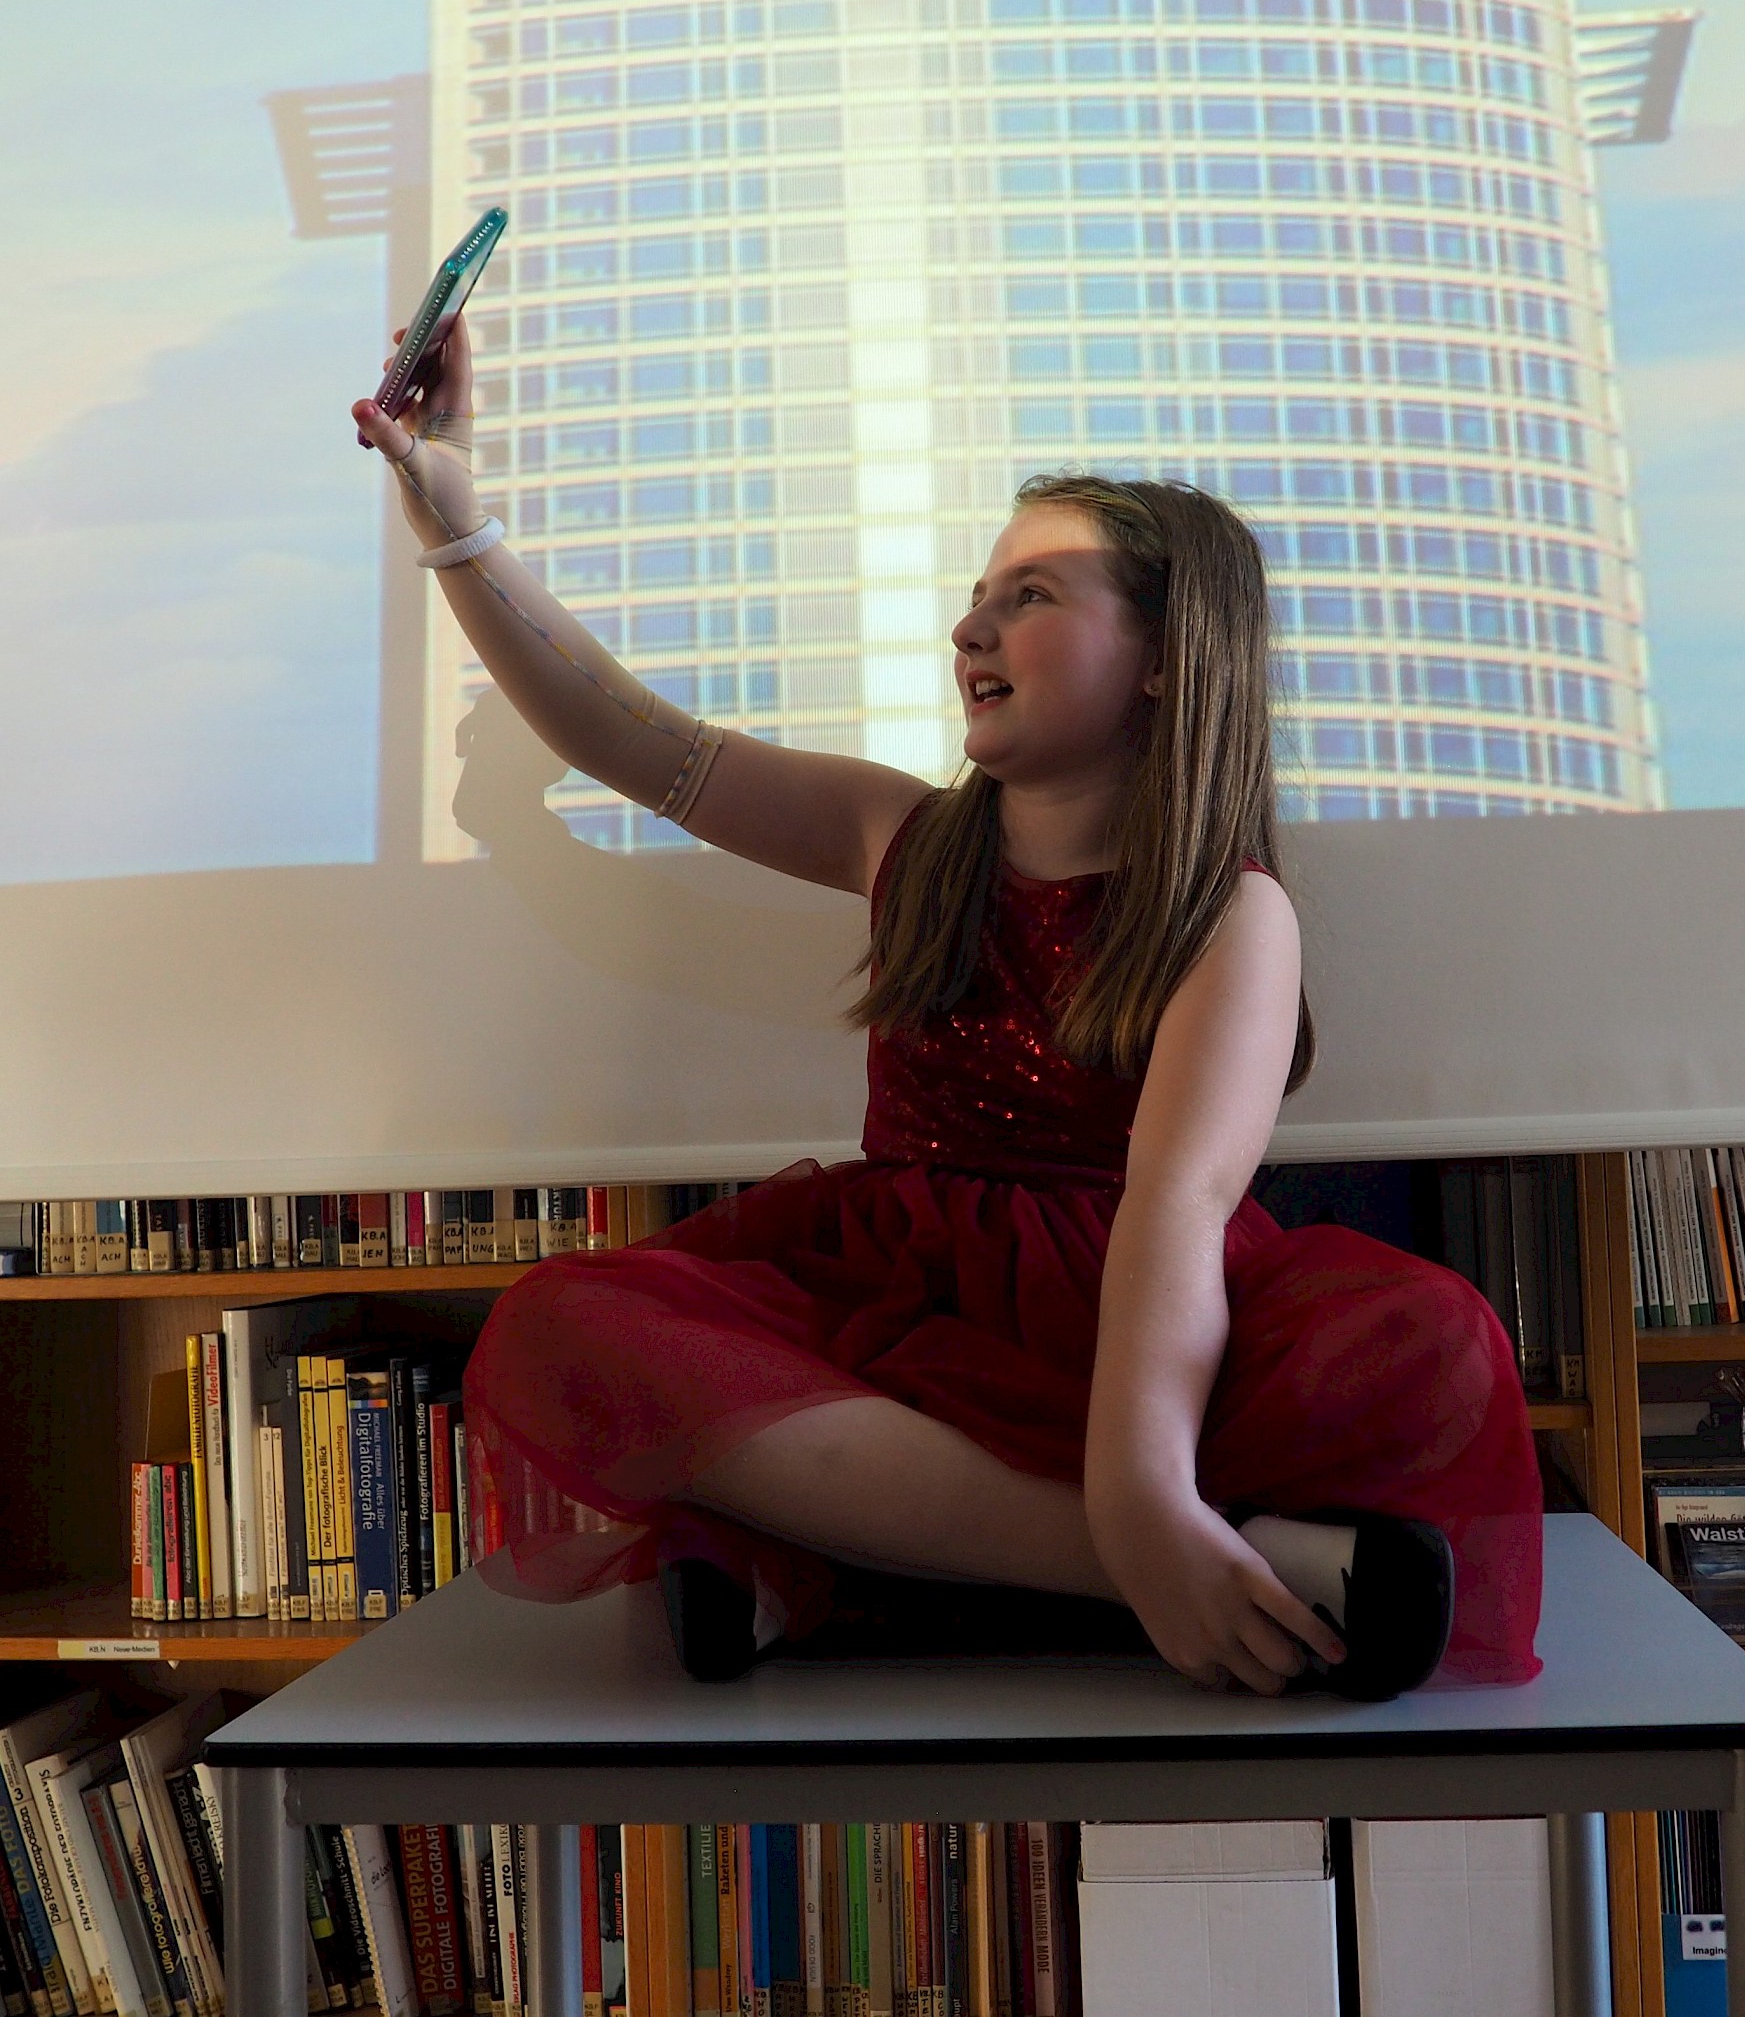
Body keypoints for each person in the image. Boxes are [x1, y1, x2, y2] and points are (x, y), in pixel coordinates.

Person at [352, 319, 1542, 1699]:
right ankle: (1160, 1566)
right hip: (890, 1305)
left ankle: (860, 1559)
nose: (971, 627)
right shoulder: (900, 835)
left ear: (1166, 656)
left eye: (1031, 595)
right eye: (979, 596)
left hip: (1136, 1333)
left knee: (1428, 1346)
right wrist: (456, 520)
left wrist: (1145, 1475)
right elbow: (632, 739)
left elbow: (1174, 1210)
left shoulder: (1230, 913)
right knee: (565, 1326)